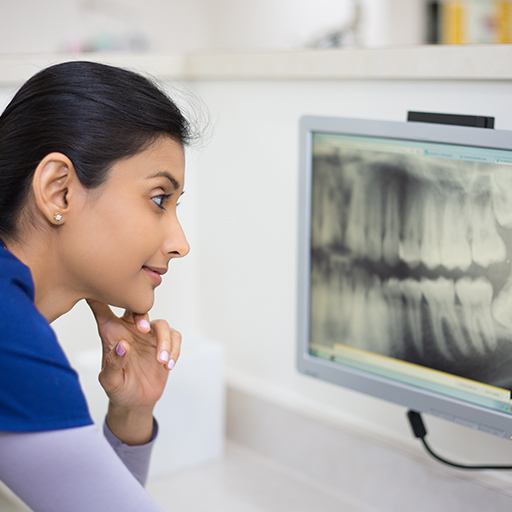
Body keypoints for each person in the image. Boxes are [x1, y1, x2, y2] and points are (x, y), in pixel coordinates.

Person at [0, 60, 193, 511]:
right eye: (159, 199)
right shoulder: (8, 333)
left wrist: (133, 410)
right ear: (59, 191)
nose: (181, 243)